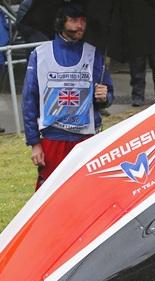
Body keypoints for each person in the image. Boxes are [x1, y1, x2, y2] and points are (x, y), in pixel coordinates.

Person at [21, 3, 113, 190]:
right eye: (74, 20)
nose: (80, 26)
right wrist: (34, 143)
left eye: (83, 20)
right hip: (53, 137)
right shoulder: (40, 54)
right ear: (61, 22)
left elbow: (108, 95)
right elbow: (29, 100)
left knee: (87, 191)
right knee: (49, 193)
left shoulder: (93, 53)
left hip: (86, 137)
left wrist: (105, 96)